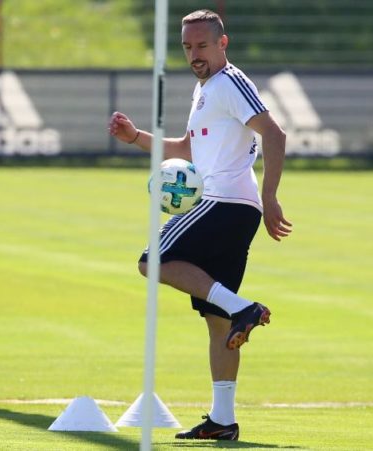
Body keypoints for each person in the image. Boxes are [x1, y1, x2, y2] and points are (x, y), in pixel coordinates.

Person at [108, 9, 292, 441]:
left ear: (222, 43)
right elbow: (187, 150)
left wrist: (270, 197)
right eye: (187, 47)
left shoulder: (229, 83)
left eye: (202, 45)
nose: (194, 54)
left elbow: (274, 134)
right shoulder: (206, 89)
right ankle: (223, 420)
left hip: (222, 201)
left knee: (152, 260)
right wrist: (135, 137)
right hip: (232, 208)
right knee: (217, 319)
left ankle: (244, 308)